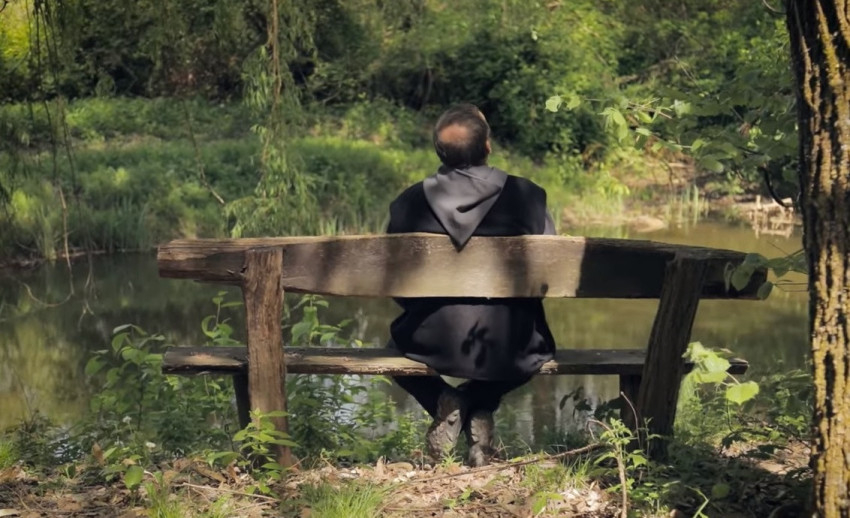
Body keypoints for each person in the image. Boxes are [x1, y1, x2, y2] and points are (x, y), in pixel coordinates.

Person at [386, 104, 556, 466]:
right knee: (538, 350)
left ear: (439, 152)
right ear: (487, 146)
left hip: (429, 341)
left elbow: (395, 283)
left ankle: (447, 401)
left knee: (392, 350)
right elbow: (547, 275)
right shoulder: (527, 196)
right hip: (512, 343)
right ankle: (481, 405)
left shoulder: (409, 203)